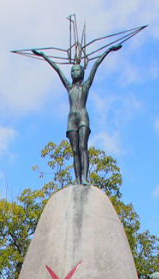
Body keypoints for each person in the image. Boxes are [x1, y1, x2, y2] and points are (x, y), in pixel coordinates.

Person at [32, 44, 121, 185]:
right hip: (71, 120)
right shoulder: (69, 87)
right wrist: (43, 56)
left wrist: (109, 50)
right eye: (72, 70)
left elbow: (96, 64)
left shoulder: (85, 86)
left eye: (76, 70)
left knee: (82, 147)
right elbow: (57, 69)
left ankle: (85, 178)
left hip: (83, 117)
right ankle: (78, 179)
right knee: (74, 151)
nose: (73, 72)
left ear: (82, 72)